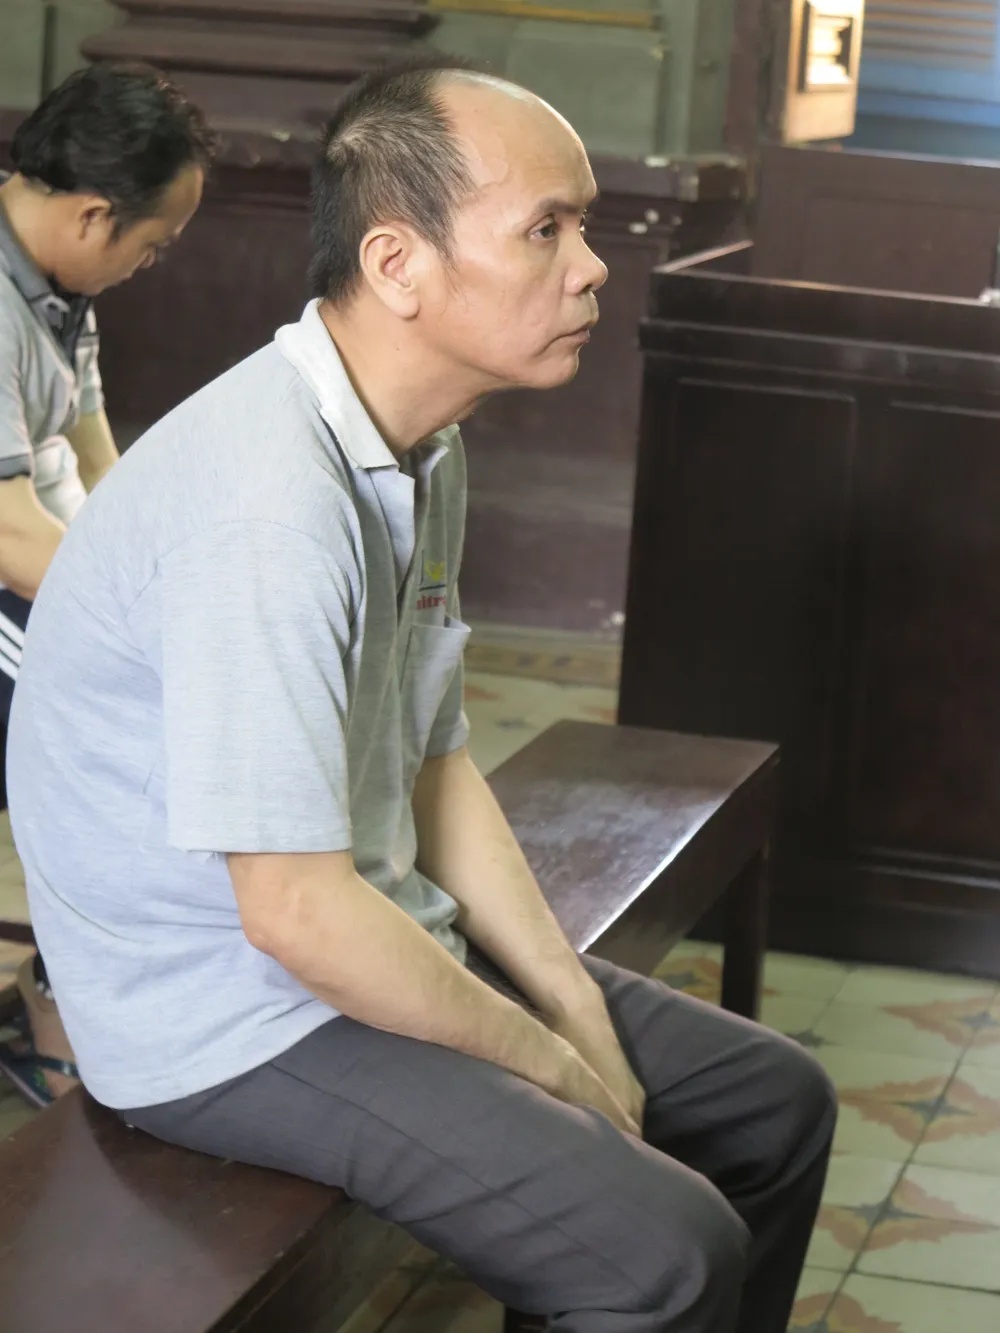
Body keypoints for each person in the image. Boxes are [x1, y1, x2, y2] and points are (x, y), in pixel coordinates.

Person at [7, 58, 836, 1331]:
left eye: (585, 226)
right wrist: (555, 1065)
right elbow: (291, 913)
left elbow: (435, 762)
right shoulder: (267, 506)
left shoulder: (415, 444)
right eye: (546, 229)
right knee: (664, 1257)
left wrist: (568, 998)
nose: (592, 267)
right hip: (224, 1016)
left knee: (775, 1104)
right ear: (396, 263)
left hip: (352, 934)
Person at [0, 61, 213, 1106]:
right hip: (7, 565)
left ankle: (129, 982)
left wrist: (174, 573)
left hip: (34, 562)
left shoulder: (55, 281)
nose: (150, 264)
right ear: (93, 215)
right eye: (153, 244)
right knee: (131, 720)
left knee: (197, 686)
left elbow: (94, 460)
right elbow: (7, 531)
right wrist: (143, 626)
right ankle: (67, 992)